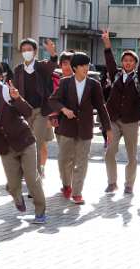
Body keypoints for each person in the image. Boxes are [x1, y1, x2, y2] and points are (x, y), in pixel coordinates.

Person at [0, 59, 47, 224]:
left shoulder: (7, 91)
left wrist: (17, 98)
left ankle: (40, 211)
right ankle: (17, 196)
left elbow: (27, 112)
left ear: (0, 76)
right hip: (4, 146)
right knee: (13, 185)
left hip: (24, 140)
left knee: (31, 177)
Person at [49, 52, 112, 206]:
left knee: (82, 162)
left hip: (85, 128)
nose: (86, 68)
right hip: (67, 129)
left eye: (87, 65)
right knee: (64, 160)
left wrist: (108, 129)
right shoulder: (65, 83)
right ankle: (66, 185)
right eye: (82, 65)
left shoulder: (94, 85)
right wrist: (64, 110)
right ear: (75, 67)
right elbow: (53, 100)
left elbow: (101, 107)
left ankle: (77, 193)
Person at [101, 30, 140, 196]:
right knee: (109, 153)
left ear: (134, 63)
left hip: (131, 121)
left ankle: (129, 184)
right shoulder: (115, 75)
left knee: (132, 155)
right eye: (125, 60)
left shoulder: (138, 78)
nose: (128, 63)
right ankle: (112, 183)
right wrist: (107, 42)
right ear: (122, 63)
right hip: (114, 119)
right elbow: (109, 60)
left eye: (131, 61)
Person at [13, 37, 58, 177]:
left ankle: (36, 173)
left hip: (40, 111)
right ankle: (24, 170)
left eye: (29, 49)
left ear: (35, 51)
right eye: (24, 50)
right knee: (24, 142)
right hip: (24, 111)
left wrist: (52, 53)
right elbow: (15, 90)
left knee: (36, 142)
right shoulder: (18, 69)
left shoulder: (41, 66)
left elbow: (52, 65)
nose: (26, 52)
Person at [49, 51, 74, 198]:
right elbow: (50, 100)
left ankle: (72, 184)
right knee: (64, 157)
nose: (68, 66)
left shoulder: (82, 80)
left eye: (70, 63)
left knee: (75, 157)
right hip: (61, 124)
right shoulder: (55, 80)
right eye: (64, 63)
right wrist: (53, 116)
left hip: (78, 125)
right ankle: (66, 184)